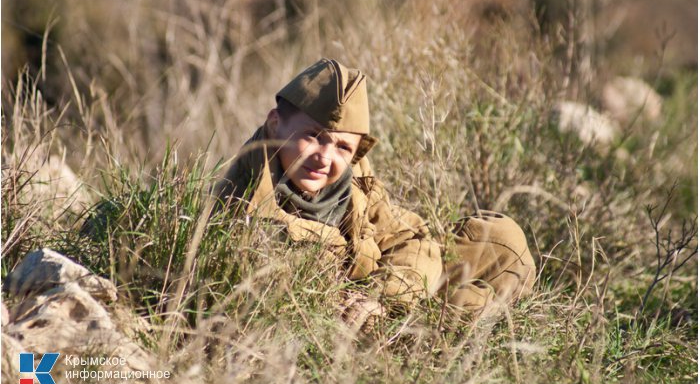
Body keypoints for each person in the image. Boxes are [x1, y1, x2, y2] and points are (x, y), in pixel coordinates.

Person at [214, 58, 536, 331]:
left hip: (386, 288)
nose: (325, 157)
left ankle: (479, 310)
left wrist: (383, 295)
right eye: (313, 136)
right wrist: (377, 306)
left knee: (506, 243)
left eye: (342, 146)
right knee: (459, 304)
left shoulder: (353, 181)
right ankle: (475, 317)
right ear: (275, 124)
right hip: (359, 321)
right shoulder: (246, 206)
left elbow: (409, 240)